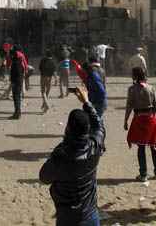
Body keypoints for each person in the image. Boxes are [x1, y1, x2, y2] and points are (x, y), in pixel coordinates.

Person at [39, 87, 105, 226]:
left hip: (67, 217)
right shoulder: (95, 147)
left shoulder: (61, 155)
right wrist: (86, 102)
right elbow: (99, 126)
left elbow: (44, 177)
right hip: (90, 214)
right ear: (87, 130)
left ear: (68, 128)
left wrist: (61, 147)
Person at [124, 67, 156, 182]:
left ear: (135, 76)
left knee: (141, 147)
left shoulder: (131, 89)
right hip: (151, 119)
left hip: (139, 119)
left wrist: (125, 120)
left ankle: (143, 174)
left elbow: (129, 106)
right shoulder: (151, 88)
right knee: (154, 145)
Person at [9, 46, 27, 119]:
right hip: (19, 81)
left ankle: (17, 113)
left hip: (16, 82)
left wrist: (12, 81)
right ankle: (18, 112)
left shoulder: (15, 64)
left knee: (16, 97)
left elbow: (14, 74)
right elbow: (23, 69)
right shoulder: (20, 63)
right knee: (18, 97)